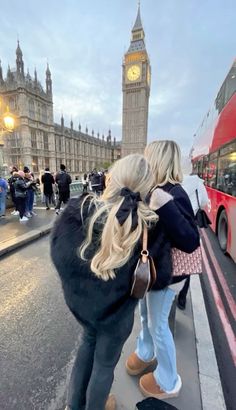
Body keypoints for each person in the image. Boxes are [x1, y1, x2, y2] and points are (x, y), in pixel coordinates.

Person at [50, 153, 199, 410]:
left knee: (86, 347)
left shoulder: (78, 212)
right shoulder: (149, 225)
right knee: (104, 366)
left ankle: (74, 406)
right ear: (147, 186)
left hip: (84, 310)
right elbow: (163, 273)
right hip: (116, 317)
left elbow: (59, 255)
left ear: (112, 178)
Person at [126, 140, 200, 400]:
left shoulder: (173, 193)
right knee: (145, 316)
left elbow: (191, 240)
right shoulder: (153, 189)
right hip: (152, 272)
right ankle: (146, 353)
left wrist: (163, 204)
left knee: (159, 326)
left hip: (168, 277)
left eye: (148, 158)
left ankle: (168, 381)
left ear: (157, 160)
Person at [176, 166, 209, 310]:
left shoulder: (174, 182)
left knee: (172, 260)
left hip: (174, 225)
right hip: (189, 227)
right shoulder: (197, 183)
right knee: (186, 265)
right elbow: (204, 202)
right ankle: (182, 297)